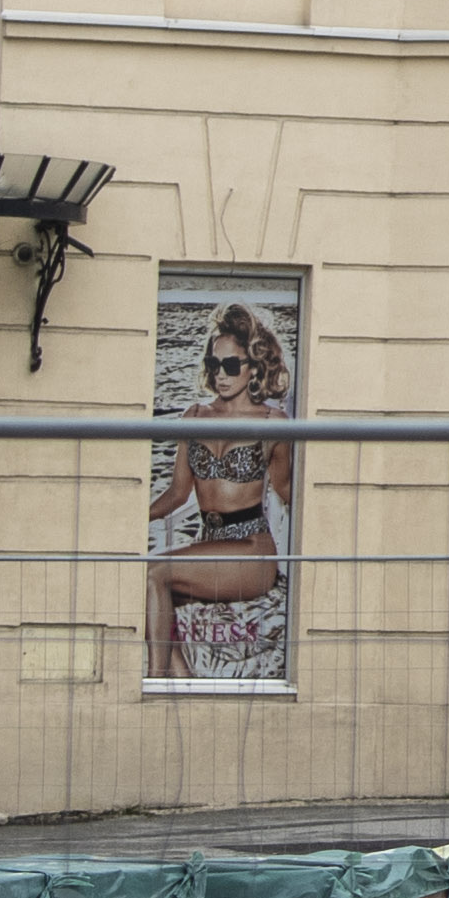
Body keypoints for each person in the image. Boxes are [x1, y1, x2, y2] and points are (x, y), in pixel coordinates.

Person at [145, 293, 302, 684]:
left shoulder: (272, 424)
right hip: (210, 543)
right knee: (142, 590)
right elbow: (177, 495)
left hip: (251, 553)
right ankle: (179, 681)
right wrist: (130, 518)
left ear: (253, 367)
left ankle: (155, 678)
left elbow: (287, 492)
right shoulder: (193, 417)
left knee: (153, 574)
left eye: (231, 364)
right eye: (214, 364)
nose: (221, 373)